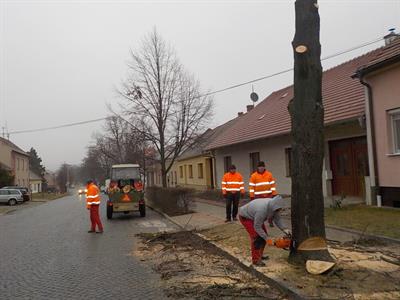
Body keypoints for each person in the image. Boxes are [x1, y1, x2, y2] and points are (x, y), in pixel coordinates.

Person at [238, 195, 291, 266]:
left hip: (255, 217)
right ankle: (256, 260)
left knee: (263, 236)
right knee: (257, 238)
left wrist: (284, 229)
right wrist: (267, 238)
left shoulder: (275, 207)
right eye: (277, 210)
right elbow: (257, 226)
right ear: (273, 207)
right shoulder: (262, 210)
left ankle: (260, 255)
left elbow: (277, 220)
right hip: (246, 217)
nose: (278, 211)